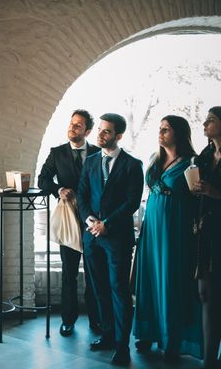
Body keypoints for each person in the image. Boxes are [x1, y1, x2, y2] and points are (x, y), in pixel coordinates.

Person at [133, 115, 202, 360]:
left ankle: (172, 337)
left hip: (175, 228)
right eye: (159, 128)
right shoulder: (155, 159)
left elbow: (197, 197)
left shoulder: (192, 162)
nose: (160, 132)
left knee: (170, 279)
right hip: (152, 227)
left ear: (179, 134)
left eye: (166, 129)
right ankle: (148, 332)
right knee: (149, 278)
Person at [77, 113, 144, 366]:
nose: (100, 134)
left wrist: (108, 224)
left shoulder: (132, 165)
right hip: (92, 236)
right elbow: (82, 195)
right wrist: (90, 222)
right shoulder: (91, 161)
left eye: (106, 131)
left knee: (119, 290)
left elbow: (131, 202)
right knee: (99, 288)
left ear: (118, 136)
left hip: (117, 238)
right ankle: (107, 335)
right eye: (100, 130)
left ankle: (122, 346)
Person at [37, 109, 100, 337]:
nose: (72, 128)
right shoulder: (57, 153)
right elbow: (42, 179)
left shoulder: (97, 153)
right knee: (69, 272)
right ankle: (68, 320)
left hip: (94, 218)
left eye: (78, 125)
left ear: (88, 131)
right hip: (69, 218)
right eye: (71, 124)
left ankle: (97, 319)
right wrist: (58, 189)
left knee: (94, 272)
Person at [191, 106, 221, 368]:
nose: (204, 123)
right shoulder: (206, 154)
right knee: (205, 293)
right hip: (205, 232)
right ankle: (210, 358)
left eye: (211, 120)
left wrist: (216, 193)